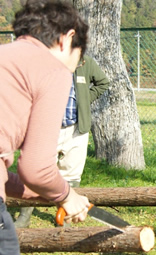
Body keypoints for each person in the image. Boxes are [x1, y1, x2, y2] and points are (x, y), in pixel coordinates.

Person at [0, 1, 91, 255]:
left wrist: (48, 194)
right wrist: (67, 194)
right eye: (77, 58)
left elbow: (14, 176)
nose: (74, 67)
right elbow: (36, 167)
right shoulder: (52, 69)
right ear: (67, 38)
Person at [14, 55, 110, 228]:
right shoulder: (43, 61)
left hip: (76, 128)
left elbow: (103, 83)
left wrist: (84, 100)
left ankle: (65, 217)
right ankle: (24, 217)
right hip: (46, 128)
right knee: (35, 173)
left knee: (71, 175)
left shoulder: (85, 61)